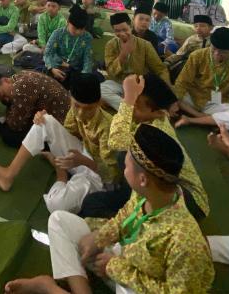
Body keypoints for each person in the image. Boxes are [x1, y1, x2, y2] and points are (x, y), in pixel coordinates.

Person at [4, 124, 214, 294]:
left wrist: (114, 267)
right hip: (125, 256)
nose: (123, 168)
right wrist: (99, 239)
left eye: (127, 165)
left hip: (134, 281)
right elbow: (124, 217)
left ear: (142, 179)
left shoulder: (185, 242)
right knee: (59, 220)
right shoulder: (146, 193)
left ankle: (49, 288)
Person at [0, 73, 119, 214]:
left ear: (98, 103)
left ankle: (61, 173)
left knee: (56, 204)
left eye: (87, 109)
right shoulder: (75, 110)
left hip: (99, 178)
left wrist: (82, 160)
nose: (79, 113)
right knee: (44, 121)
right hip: (81, 154)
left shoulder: (108, 126)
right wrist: (40, 116)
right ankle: (9, 174)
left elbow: (111, 176)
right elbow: (69, 132)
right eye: (76, 105)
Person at [82, 74, 209, 221]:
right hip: (154, 187)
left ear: (158, 112)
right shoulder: (149, 119)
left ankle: (131, 223)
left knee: (124, 158)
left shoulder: (156, 130)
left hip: (189, 201)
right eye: (126, 99)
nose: (128, 107)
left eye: (136, 106)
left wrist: (129, 98)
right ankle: (128, 209)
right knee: (94, 201)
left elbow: (116, 142)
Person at [172, 27, 229, 130]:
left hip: (218, 103)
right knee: (173, 93)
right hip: (193, 98)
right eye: (214, 49)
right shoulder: (197, 55)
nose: (216, 54)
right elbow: (182, 82)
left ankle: (196, 119)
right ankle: (204, 118)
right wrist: (173, 103)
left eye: (223, 52)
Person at [101, 13, 169, 111]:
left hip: (140, 85)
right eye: (117, 31)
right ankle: (132, 110)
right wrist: (123, 55)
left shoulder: (145, 45)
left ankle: (127, 107)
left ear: (131, 26)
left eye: (125, 30)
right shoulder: (111, 45)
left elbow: (160, 69)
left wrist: (166, 88)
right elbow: (111, 72)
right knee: (102, 90)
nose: (122, 33)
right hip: (119, 83)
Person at [0, 70, 70, 147]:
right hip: (66, 112)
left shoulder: (20, 90)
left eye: (3, 95)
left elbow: (17, 126)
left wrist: (9, 118)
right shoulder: (19, 75)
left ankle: (47, 146)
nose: (6, 99)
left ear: (5, 80)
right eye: (2, 100)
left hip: (65, 128)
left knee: (9, 136)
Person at [44, 6, 94, 89]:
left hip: (76, 70)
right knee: (50, 86)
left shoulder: (87, 37)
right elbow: (48, 53)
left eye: (81, 29)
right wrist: (52, 68)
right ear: (68, 22)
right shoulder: (57, 34)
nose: (78, 32)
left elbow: (87, 59)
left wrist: (85, 75)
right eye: (75, 28)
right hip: (57, 66)